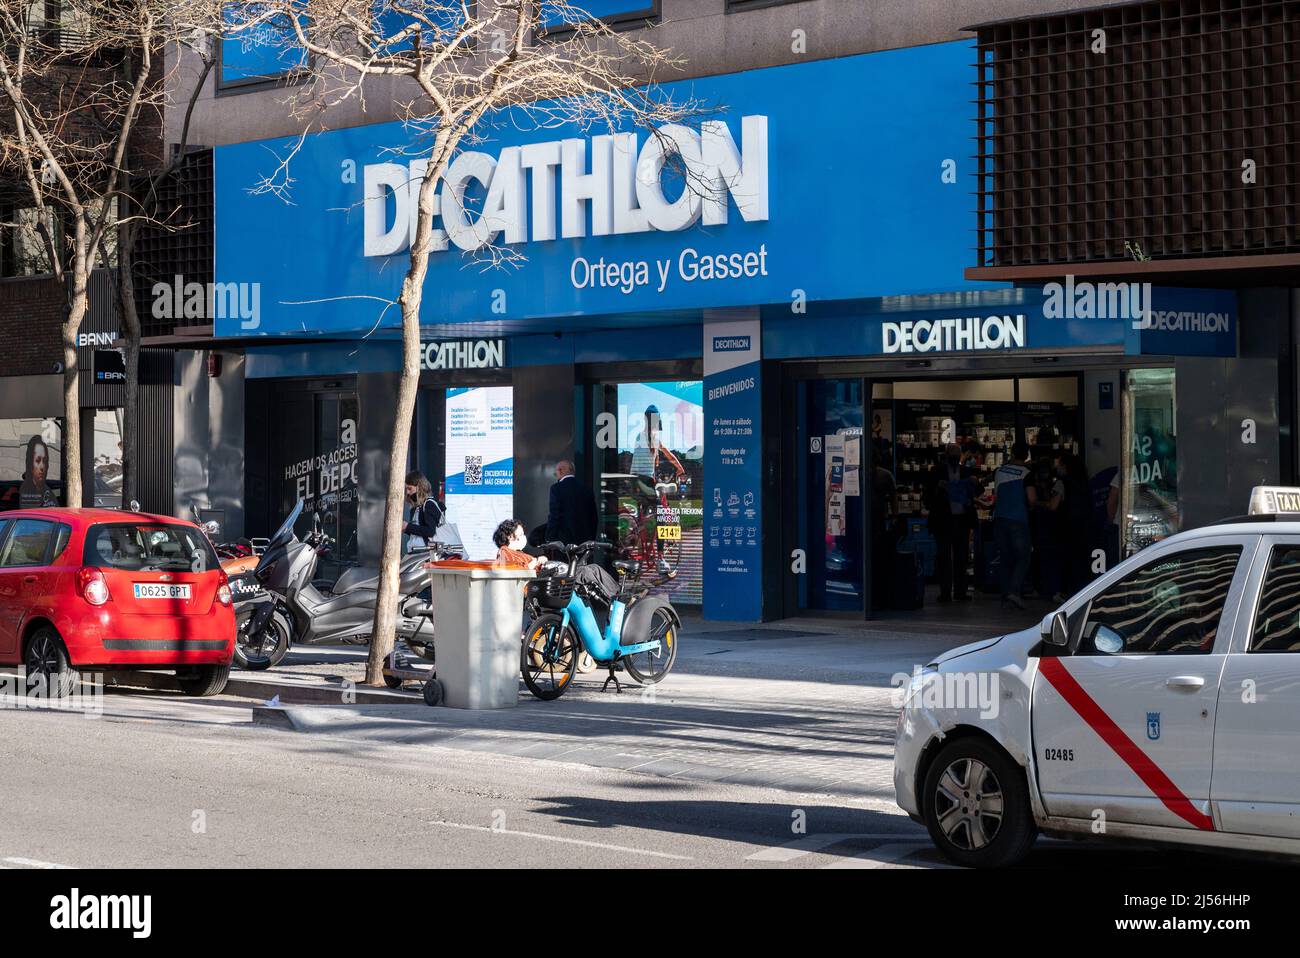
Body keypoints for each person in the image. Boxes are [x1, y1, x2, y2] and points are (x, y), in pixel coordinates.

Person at [924, 443, 979, 602]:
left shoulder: (967, 472)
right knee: (944, 557)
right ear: (947, 456)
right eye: (953, 455)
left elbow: (978, 492)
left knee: (961, 557)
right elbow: (928, 496)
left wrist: (975, 483)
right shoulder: (937, 472)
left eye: (957, 455)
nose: (955, 459)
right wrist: (937, 488)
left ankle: (960, 591)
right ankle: (945, 592)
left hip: (962, 520)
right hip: (943, 520)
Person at [992, 441, 1037, 609]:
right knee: (1023, 557)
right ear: (1026, 455)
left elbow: (997, 493)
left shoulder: (999, 471)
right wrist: (1033, 506)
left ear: (1012, 453)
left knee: (1005, 557)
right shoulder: (1027, 473)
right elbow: (1031, 498)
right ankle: (1014, 591)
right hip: (1018, 519)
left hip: (1000, 518)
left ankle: (1005, 594)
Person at [1056, 453, 1093, 596]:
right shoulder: (1085, 482)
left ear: (1065, 467)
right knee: (1081, 560)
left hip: (1068, 526)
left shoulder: (1063, 482)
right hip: (1084, 526)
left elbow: (1054, 505)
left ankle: (1067, 591)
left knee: (1068, 560)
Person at [545, 459, 598, 546]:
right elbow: (593, 516)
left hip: (564, 541)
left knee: (563, 560)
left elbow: (555, 515)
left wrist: (550, 537)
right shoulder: (586, 488)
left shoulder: (557, 488)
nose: (556, 475)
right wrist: (591, 538)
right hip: (585, 540)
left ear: (561, 471)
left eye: (556, 473)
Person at [402, 471, 447, 553]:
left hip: (425, 553)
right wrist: (406, 529)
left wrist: (408, 526)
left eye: (410, 488)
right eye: (406, 489)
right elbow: (418, 532)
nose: (408, 493)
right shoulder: (417, 507)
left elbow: (430, 531)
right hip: (417, 551)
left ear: (419, 487)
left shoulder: (429, 505)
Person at [19, 435, 57, 508]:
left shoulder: (48, 490)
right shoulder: (26, 489)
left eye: (45, 461)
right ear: (30, 464)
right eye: (38, 460)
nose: (42, 467)